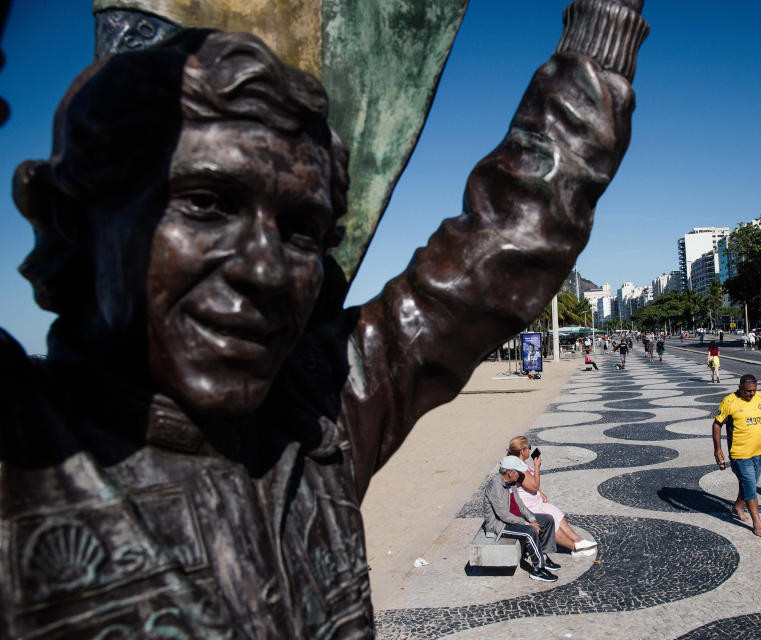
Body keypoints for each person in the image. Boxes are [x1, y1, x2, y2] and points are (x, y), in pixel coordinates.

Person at [0, 4, 650, 635]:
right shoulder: (23, 450)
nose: (266, 270)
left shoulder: (315, 413)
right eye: (204, 202)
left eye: (302, 230)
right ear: (67, 218)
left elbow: (501, 250)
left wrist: (604, 22)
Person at [712, 374, 761, 537]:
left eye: (754, 390)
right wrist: (717, 449)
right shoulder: (729, 401)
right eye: (748, 391)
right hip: (740, 453)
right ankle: (757, 522)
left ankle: (737, 507)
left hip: (760, 450)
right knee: (749, 484)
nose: (751, 394)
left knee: (749, 483)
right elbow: (717, 424)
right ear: (740, 387)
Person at [507, 437, 597, 556]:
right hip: (527, 508)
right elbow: (533, 486)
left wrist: (540, 492)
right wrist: (537, 466)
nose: (530, 450)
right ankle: (575, 548)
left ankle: (578, 540)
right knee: (550, 520)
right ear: (522, 451)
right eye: (528, 447)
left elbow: (530, 486)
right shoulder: (519, 468)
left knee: (554, 512)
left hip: (535, 502)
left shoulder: (519, 463)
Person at [483, 456, 561, 581]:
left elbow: (521, 505)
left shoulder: (511, 483)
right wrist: (526, 524)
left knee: (547, 519)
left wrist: (532, 519)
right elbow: (503, 515)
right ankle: (538, 569)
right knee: (530, 532)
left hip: (514, 519)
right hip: (500, 525)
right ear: (510, 473)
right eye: (518, 472)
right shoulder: (495, 486)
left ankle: (543, 556)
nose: (520, 475)